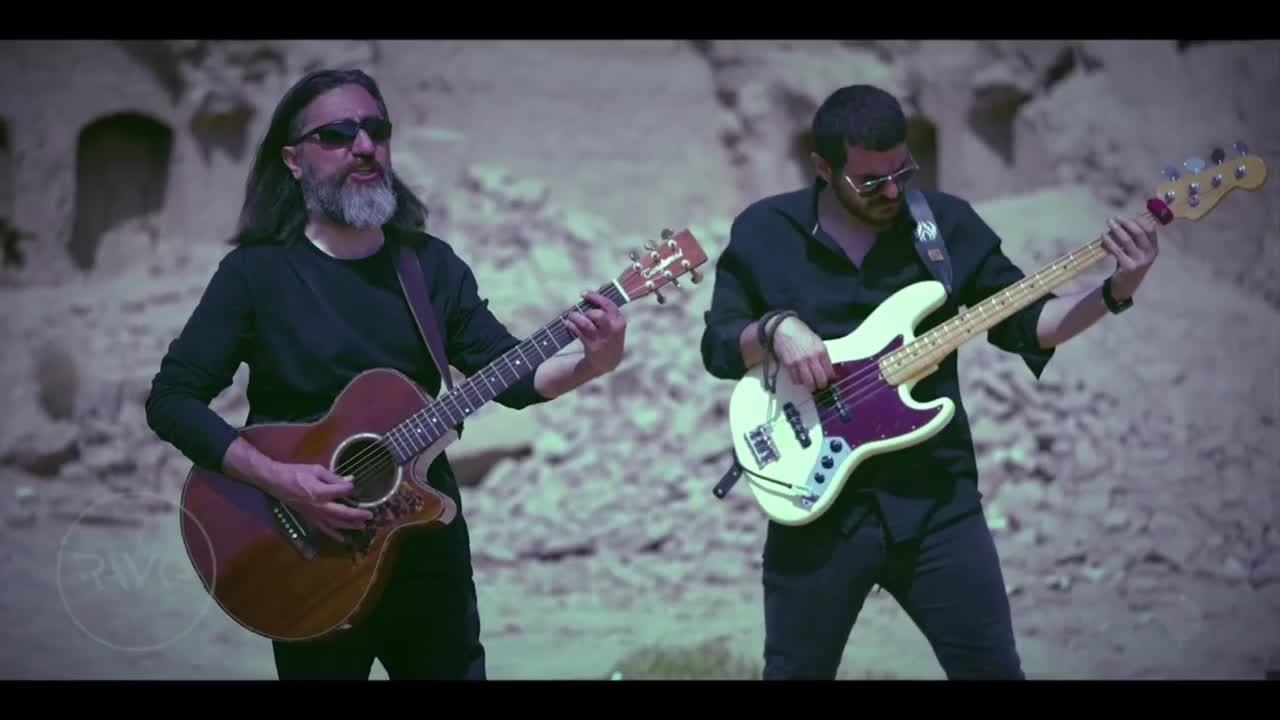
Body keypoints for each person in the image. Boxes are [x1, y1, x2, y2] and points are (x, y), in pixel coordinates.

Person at [145, 68, 629, 680]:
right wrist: (281, 480)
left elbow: (509, 377)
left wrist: (594, 362)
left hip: (427, 554)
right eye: (337, 134)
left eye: (376, 129)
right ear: (293, 161)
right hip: (304, 561)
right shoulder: (254, 275)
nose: (364, 146)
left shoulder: (429, 266)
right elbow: (172, 399)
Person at [699, 84, 1159, 680]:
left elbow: (1030, 325)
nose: (892, 192)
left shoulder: (945, 226)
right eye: (871, 181)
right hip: (814, 510)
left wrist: (1116, 290)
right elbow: (718, 346)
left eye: (903, 171)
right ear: (823, 168)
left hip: (937, 504)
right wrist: (775, 327)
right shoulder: (766, 231)